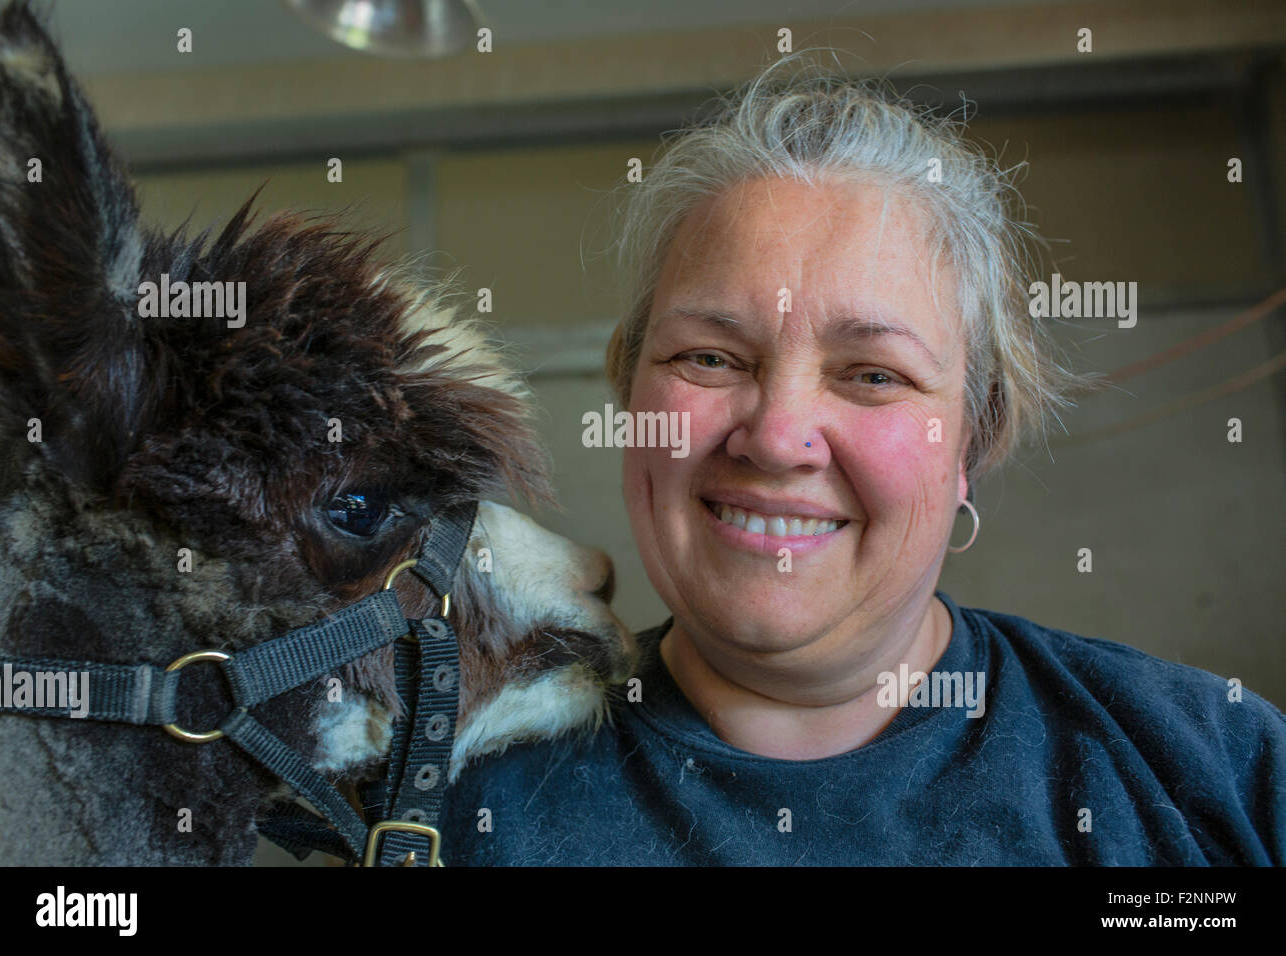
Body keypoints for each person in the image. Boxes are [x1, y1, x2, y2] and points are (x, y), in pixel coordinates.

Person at [438, 55, 1286, 865]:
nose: (776, 436)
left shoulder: (1216, 767)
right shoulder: (457, 803)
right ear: (629, 392)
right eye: (710, 357)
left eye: (873, 374)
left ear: (971, 441)